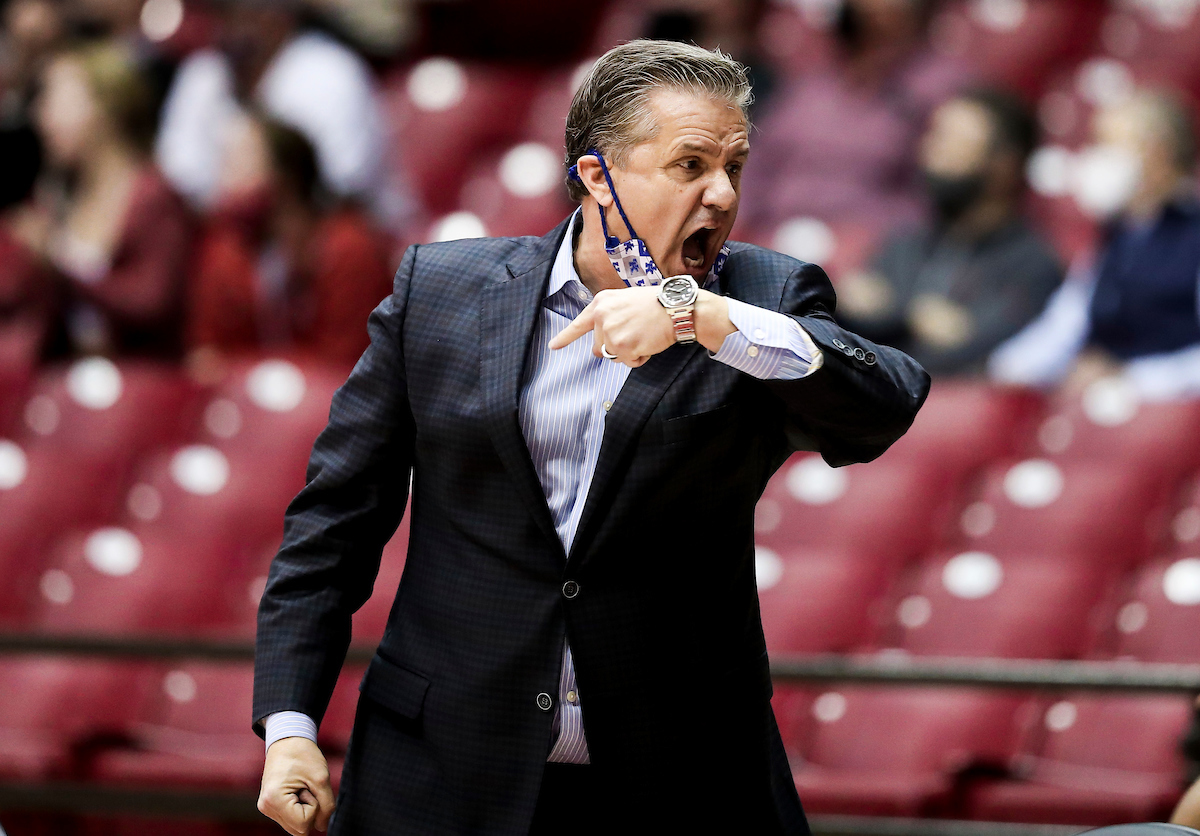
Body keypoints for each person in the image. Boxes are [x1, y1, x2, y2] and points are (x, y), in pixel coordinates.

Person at [253, 40, 929, 836]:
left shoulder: (762, 301)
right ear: (597, 175)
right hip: (444, 772)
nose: (721, 193)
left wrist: (702, 318)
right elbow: (333, 525)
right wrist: (290, 727)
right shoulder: (439, 292)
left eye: (736, 168)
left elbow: (885, 402)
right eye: (690, 166)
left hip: (677, 779)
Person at [989, 89, 1200, 399]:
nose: (1095, 157)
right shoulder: (1115, 235)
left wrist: (1130, 379)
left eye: (1109, 145)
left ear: (1160, 152)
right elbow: (1062, 326)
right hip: (1106, 407)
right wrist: (1004, 371)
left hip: (1173, 417)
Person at [837, 88, 1063, 376]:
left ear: (1004, 165)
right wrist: (915, 318)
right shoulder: (905, 242)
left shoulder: (1033, 265)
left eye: (952, 141)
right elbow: (849, 334)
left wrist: (888, 313)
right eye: (933, 136)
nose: (931, 151)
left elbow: (973, 353)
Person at [154, 0, 407, 230]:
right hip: (250, 246)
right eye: (220, 13)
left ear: (278, 15)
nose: (225, 29)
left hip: (349, 242)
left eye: (237, 13)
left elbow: (336, 190)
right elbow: (178, 181)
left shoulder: (330, 73)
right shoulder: (204, 75)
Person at [739, 0, 972, 234]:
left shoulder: (939, 87)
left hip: (874, 248)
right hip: (773, 234)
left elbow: (932, 196)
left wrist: (866, 241)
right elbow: (755, 166)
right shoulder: (810, 75)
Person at [22, 40, 192, 359]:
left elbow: (152, 302)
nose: (41, 118)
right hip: (73, 384)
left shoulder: (151, 195)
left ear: (103, 107)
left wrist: (59, 271)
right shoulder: (59, 194)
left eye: (55, 102)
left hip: (141, 385)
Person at [187, 114, 393, 368]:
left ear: (286, 177)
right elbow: (207, 361)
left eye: (238, 164)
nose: (225, 183)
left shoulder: (349, 250)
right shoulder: (231, 252)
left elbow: (349, 368)